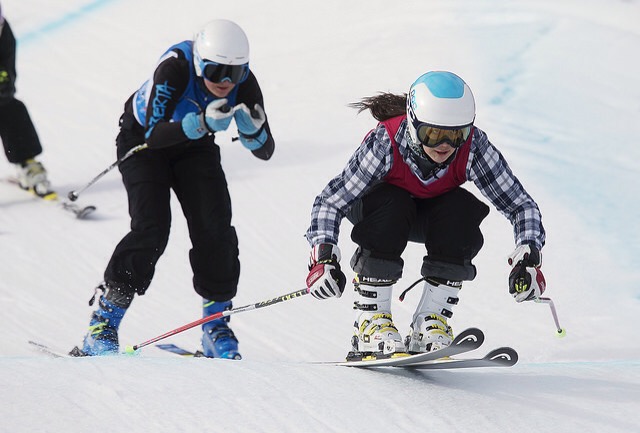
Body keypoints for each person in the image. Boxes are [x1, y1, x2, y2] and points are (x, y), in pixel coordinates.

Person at [304, 71, 546, 359]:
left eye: (456, 135)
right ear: (413, 123)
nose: (445, 145)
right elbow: (331, 201)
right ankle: (371, 322)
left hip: (430, 216)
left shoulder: (473, 147)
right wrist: (324, 257)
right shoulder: (386, 142)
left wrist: (528, 256)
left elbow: (520, 205)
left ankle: (430, 323)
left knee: (462, 210)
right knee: (394, 204)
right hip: (379, 213)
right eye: (432, 134)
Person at [73, 19, 275, 359]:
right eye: (215, 71)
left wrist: (254, 133)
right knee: (151, 228)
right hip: (144, 143)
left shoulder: (246, 83)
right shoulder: (175, 68)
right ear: (199, 64)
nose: (225, 82)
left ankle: (215, 325)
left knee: (215, 229)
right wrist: (202, 123)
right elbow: (154, 134)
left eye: (235, 73)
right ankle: (104, 322)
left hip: (195, 147)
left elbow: (266, 151)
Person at [0, 3, 51, 197]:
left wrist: (4, 85)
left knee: (10, 108)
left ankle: (26, 163)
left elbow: (8, 77)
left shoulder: (5, 36)